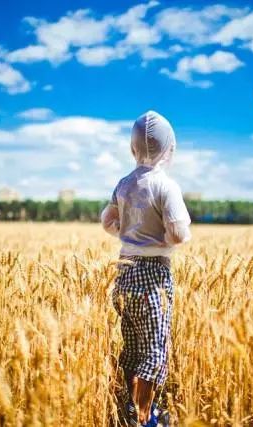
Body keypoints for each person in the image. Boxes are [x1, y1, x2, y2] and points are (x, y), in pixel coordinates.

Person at [101, 110, 191, 426]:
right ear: (171, 150)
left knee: (133, 346)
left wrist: (128, 233)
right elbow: (179, 233)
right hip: (153, 276)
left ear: (132, 149)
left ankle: (129, 408)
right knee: (154, 351)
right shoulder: (166, 186)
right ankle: (143, 418)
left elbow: (107, 221)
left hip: (124, 274)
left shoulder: (123, 185)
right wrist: (160, 239)